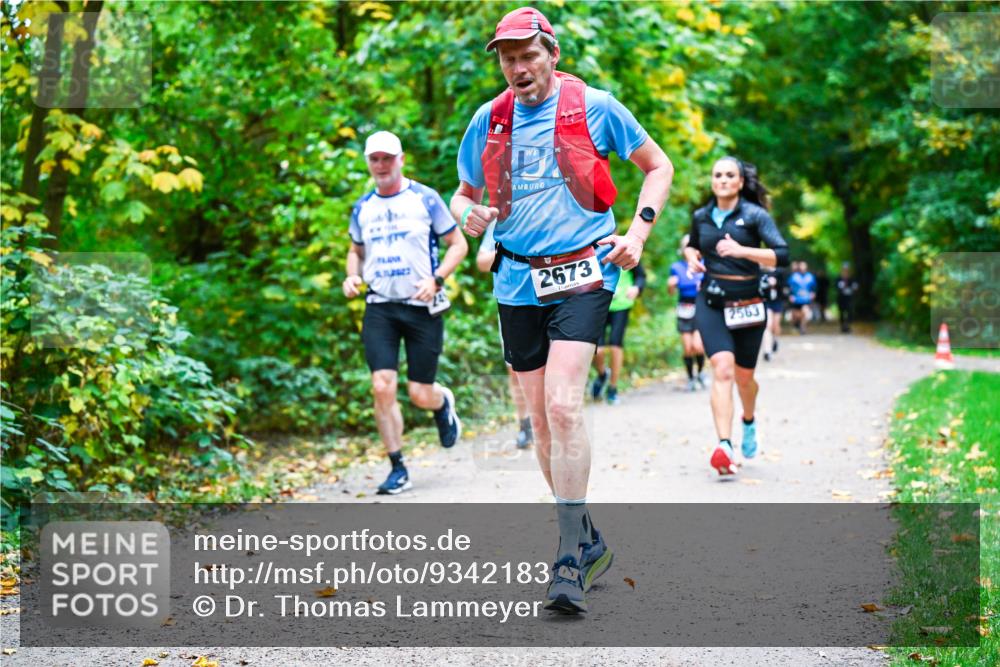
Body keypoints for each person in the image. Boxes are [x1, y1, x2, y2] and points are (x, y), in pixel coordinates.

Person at [452, 6, 673, 613]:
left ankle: (569, 557)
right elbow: (463, 194)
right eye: (508, 58)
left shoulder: (595, 107)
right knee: (542, 423)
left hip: (584, 272)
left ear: (552, 54)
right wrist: (468, 215)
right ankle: (588, 536)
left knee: (563, 405)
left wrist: (638, 233)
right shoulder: (489, 119)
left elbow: (658, 167)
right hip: (516, 280)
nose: (518, 67)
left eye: (528, 55)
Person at [344, 130, 469, 495]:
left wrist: (437, 278)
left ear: (401, 160)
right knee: (382, 385)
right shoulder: (362, 207)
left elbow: (458, 244)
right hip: (380, 306)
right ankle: (397, 466)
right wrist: (352, 276)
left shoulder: (424, 198)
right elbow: (355, 250)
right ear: (368, 163)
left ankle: (441, 403)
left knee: (419, 393)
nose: (381, 165)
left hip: (421, 307)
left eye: (388, 158)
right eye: (375, 159)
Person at [685, 156, 789, 475]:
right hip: (712, 301)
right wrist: (691, 257)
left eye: (730, 175)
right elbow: (692, 244)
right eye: (718, 175)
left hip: (748, 303)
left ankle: (749, 420)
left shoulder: (755, 215)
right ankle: (724, 446)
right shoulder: (701, 216)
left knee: (745, 378)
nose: (723, 180)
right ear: (712, 181)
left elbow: (782, 255)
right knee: (723, 369)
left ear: (741, 182)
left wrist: (743, 251)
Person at [476, 221, 533, 448]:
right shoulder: (501, 219)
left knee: (551, 365)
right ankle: (525, 424)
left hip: (551, 300)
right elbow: (482, 261)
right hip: (512, 300)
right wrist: (513, 254)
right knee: (515, 369)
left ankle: (551, 418)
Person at [591, 261, 646, 405]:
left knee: (616, 344)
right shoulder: (592, 249)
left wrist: (637, 287)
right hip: (597, 304)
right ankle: (602, 374)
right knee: (597, 349)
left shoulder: (625, 249)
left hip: (621, 304)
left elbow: (640, 275)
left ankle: (613, 388)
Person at [668, 236, 706, 390]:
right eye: (685, 245)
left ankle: (701, 373)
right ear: (682, 249)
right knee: (688, 348)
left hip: (701, 307)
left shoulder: (704, 264)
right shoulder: (676, 267)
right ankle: (691, 378)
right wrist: (670, 286)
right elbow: (671, 291)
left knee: (698, 346)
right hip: (684, 308)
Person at [761, 267, 784, 362]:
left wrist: (776, 283)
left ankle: (775, 340)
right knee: (768, 326)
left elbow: (785, 287)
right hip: (767, 302)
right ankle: (767, 351)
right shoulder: (762, 272)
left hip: (777, 302)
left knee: (775, 326)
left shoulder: (780, 272)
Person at [788, 260, 817, 334]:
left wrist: (813, 293)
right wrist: (790, 295)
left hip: (806, 299)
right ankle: (796, 324)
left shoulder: (810, 276)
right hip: (796, 299)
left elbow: (814, 287)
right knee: (796, 315)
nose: (802, 267)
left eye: (804, 266)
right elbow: (789, 287)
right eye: (801, 265)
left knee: (805, 312)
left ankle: (803, 327)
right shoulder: (794, 276)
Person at [836, 262, 859, 333]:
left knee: (850, 311)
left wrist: (853, 289)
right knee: (842, 312)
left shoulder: (852, 278)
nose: (845, 271)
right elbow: (837, 287)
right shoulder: (839, 278)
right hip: (841, 298)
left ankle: (848, 326)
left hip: (849, 298)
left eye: (847, 270)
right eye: (844, 269)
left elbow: (855, 286)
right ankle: (843, 326)